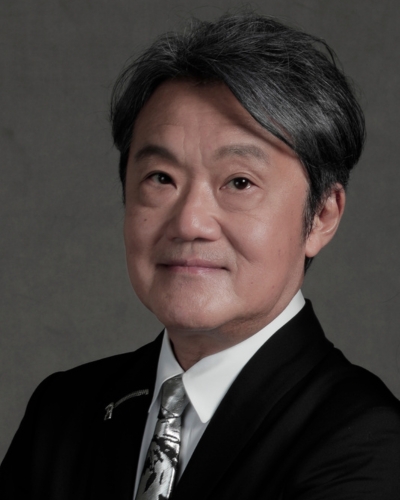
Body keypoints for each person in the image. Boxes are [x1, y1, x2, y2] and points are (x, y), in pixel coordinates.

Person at [1, 12, 399, 500]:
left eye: (239, 182)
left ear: (321, 215)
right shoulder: (62, 413)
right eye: (161, 178)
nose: (190, 222)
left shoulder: (367, 440)